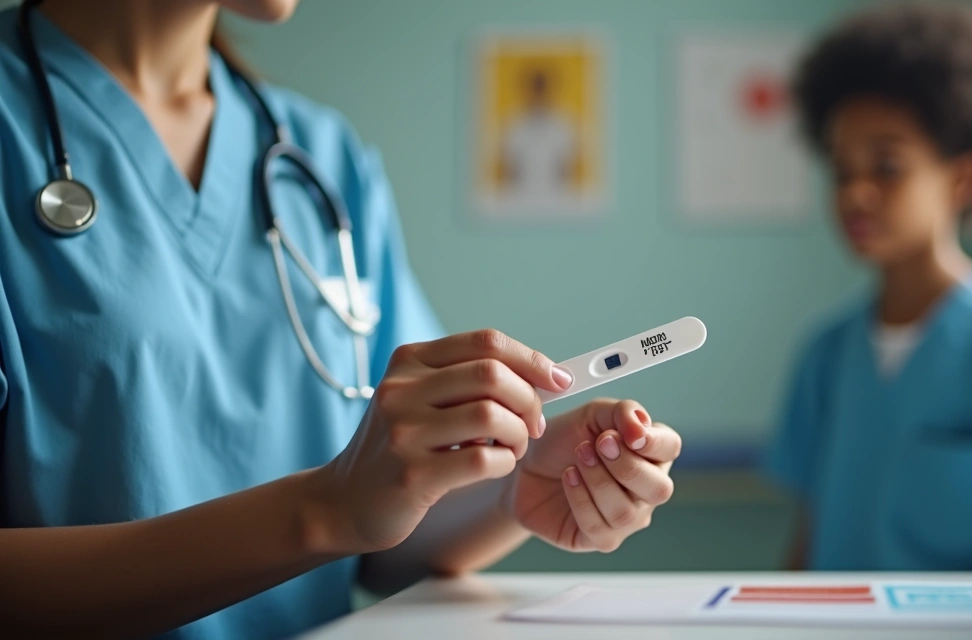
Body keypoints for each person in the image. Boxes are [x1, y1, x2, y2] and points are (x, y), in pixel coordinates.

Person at [0, 1, 681, 637]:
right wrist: (322, 513)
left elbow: (377, 530)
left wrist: (514, 493)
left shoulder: (322, 159)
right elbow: (341, 511)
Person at [766, 1, 972, 573]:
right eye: (842, 171)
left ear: (963, 177)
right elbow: (806, 547)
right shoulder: (825, 353)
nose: (856, 194)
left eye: (887, 167)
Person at [500, 67, 578, 206]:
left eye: (542, 89)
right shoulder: (514, 121)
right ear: (527, 90)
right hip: (520, 197)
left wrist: (564, 195)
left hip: (555, 197)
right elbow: (508, 164)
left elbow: (567, 166)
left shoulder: (562, 123)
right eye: (535, 89)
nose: (539, 94)